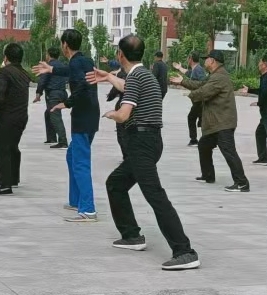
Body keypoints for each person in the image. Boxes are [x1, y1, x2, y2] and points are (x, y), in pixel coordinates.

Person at [94, 35, 199, 270]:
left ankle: (185, 251)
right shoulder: (144, 75)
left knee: (155, 196)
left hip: (141, 142)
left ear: (120, 55)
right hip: (149, 140)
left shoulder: (136, 77)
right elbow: (127, 87)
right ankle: (131, 235)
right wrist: (109, 76)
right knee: (116, 184)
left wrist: (112, 114)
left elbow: (124, 114)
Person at [34, 28, 98, 222]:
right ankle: (76, 200)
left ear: (65, 45)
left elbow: (83, 86)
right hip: (90, 116)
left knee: (80, 162)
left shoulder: (77, 62)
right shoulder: (84, 60)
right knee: (72, 156)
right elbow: (72, 72)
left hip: (83, 118)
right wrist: (52, 69)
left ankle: (88, 210)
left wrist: (67, 103)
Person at [175, 49, 249, 192]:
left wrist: (189, 95)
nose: (205, 61)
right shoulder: (215, 75)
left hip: (223, 123)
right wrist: (183, 82)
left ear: (213, 61)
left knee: (229, 151)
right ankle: (208, 175)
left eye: (207, 59)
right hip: (216, 123)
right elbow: (200, 85)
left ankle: (242, 183)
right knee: (204, 145)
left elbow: (204, 92)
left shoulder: (219, 77)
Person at [0, 42, 31, 194]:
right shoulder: (24, 73)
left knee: (1, 146)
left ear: (5, 57)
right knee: (13, 146)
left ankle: (5, 184)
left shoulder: (4, 72)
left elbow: (0, 92)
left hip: (6, 117)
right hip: (21, 117)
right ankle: (13, 179)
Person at [36, 46, 69, 148]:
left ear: (48, 55)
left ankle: (63, 141)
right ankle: (51, 138)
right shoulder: (62, 65)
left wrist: (38, 93)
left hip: (54, 94)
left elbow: (43, 80)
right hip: (62, 92)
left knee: (55, 116)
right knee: (48, 113)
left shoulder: (49, 66)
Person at [183, 53, 206, 145]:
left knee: (192, 117)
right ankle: (206, 139)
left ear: (191, 59)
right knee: (202, 119)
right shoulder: (195, 69)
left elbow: (202, 83)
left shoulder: (198, 69)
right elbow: (190, 75)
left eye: (188, 58)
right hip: (197, 99)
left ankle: (194, 140)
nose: (187, 60)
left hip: (199, 100)